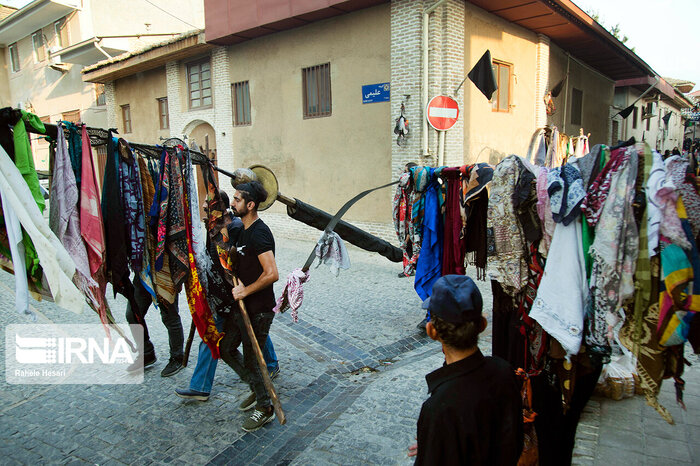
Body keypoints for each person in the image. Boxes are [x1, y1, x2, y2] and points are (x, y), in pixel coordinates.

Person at [175, 191, 280, 401]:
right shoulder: (222, 229)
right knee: (234, 343)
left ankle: (263, 399)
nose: (205, 211)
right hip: (232, 299)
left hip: (241, 300)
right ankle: (266, 371)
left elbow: (269, 272)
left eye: (208, 208)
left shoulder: (242, 230)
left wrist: (242, 289)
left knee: (241, 344)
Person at [411, 275, 523, 465]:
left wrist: (433, 443)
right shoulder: (504, 371)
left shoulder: (439, 408)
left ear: (432, 331)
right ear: (482, 325)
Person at [219, 181, 279, 432]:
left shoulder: (259, 232)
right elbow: (236, 254)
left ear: (250, 205)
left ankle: (265, 407)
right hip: (242, 306)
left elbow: (272, 273)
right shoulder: (241, 229)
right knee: (225, 348)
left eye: (237, 200)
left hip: (260, 309)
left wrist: (246, 289)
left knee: (254, 361)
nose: (232, 203)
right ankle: (258, 387)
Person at [126, 277, 185, 377]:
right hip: (142, 273)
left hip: (165, 273)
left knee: (170, 317)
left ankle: (177, 357)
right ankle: (147, 352)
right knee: (133, 314)